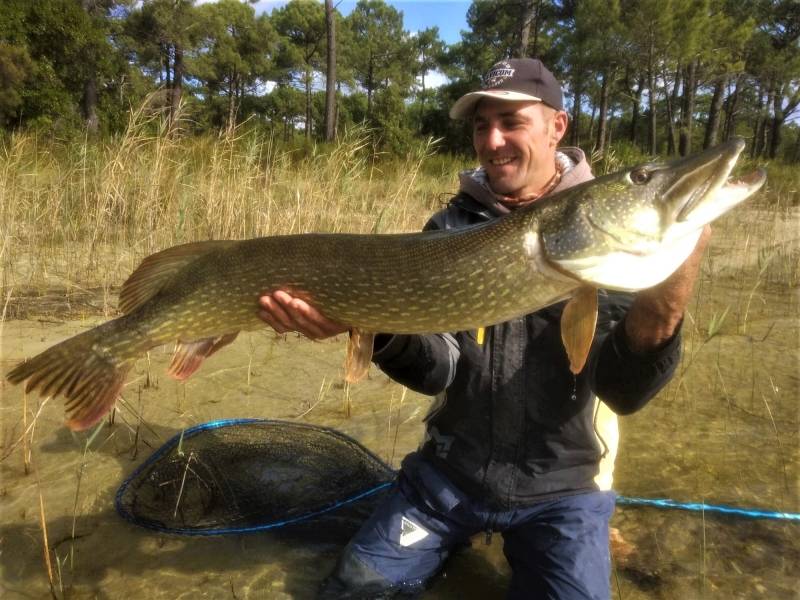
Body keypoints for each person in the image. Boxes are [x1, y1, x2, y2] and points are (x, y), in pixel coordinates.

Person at [257, 58, 709, 599]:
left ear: (556, 127)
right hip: (448, 478)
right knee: (352, 589)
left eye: (511, 122)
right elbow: (438, 370)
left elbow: (623, 392)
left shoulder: (609, 238)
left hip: (563, 489)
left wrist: (664, 304)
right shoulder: (449, 227)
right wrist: (372, 326)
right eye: (480, 125)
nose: (492, 141)